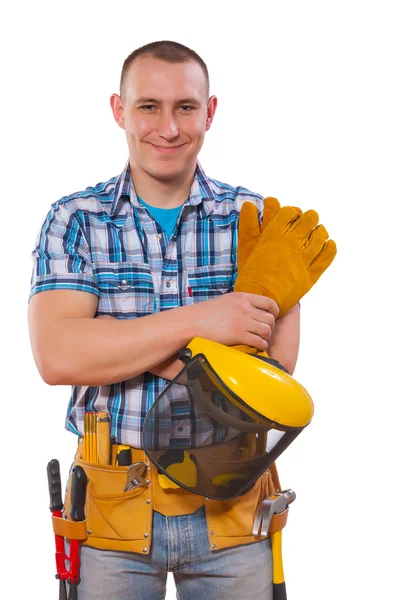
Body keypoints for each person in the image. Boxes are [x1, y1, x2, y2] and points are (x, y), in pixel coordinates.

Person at [28, 40, 300, 600]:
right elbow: (59, 357)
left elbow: (273, 374)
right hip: (110, 511)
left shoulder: (254, 222)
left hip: (233, 507)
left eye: (185, 107)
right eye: (148, 106)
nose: (169, 128)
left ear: (210, 111)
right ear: (118, 110)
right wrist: (208, 321)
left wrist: (112, 338)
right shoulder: (75, 221)